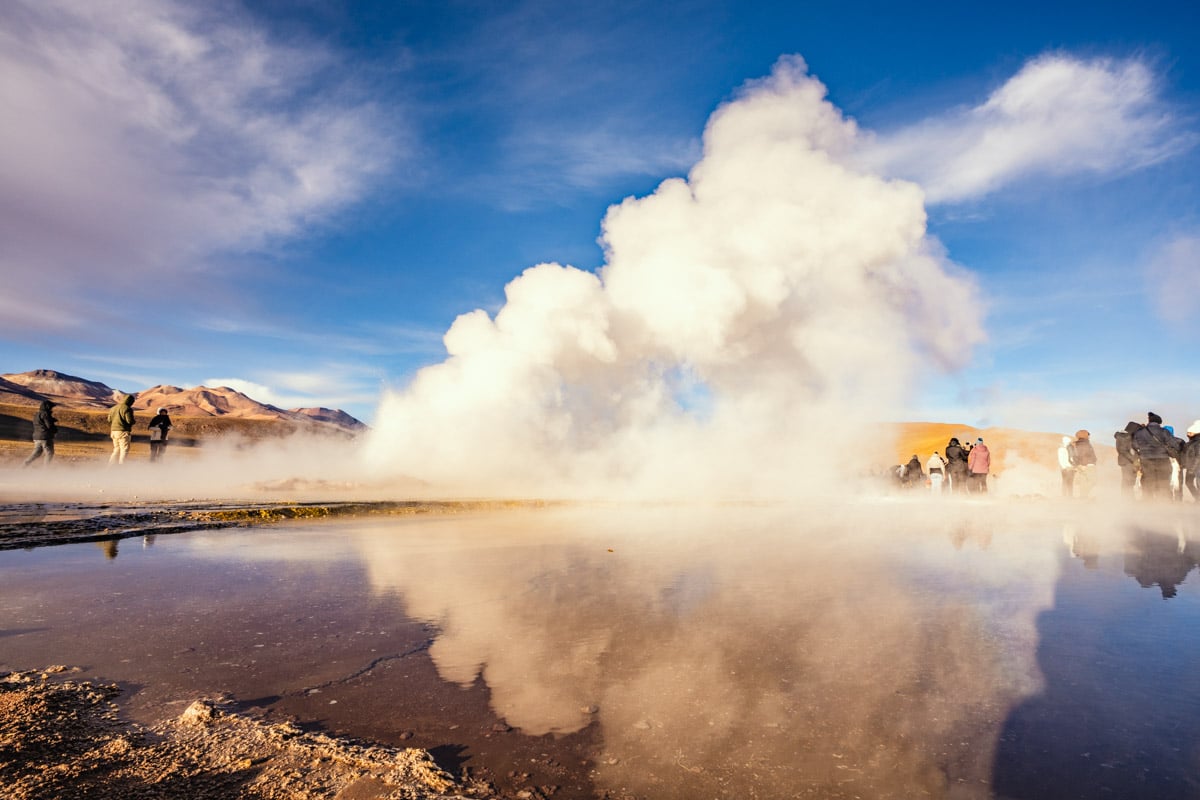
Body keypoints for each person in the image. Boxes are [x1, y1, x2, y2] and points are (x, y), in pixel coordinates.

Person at [1131, 412, 1179, 500]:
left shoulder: (1140, 432)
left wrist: (1143, 450)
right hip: (1162, 459)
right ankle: (1164, 503)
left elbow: (1134, 445)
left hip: (1146, 459)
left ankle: (1148, 502)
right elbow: (1174, 444)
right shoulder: (1164, 431)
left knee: (1148, 480)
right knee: (1163, 481)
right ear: (1159, 422)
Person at [23, 399, 58, 467]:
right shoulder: (45, 414)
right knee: (49, 453)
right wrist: (55, 429)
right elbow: (49, 426)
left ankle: (24, 466)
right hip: (45, 437)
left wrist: (51, 420)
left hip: (36, 437)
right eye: (51, 407)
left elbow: (40, 423)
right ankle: (45, 471)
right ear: (48, 407)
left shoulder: (37, 414)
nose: (52, 409)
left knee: (36, 453)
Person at [108, 393, 136, 465]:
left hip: (113, 431)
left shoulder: (113, 408)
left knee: (116, 449)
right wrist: (134, 421)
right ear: (130, 401)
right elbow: (129, 421)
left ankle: (110, 466)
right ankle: (121, 468)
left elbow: (109, 420)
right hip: (123, 432)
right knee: (124, 450)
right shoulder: (127, 408)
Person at [1114, 421, 1140, 498]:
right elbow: (1123, 450)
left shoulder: (1126, 436)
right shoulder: (1123, 437)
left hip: (1128, 462)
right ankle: (1127, 499)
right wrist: (1134, 460)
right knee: (1128, 481)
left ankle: (1129, 498)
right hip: (1127, 462)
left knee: (1130, 481)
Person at [1071, 430, 1097, 499]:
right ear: (1084, 435)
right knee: (1092, 481)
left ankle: (1083, 496)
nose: (1089, 436)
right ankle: (1083, 496)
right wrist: (1083, 465)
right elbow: (1082, 455)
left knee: (1084, 482)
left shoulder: (1081, 443)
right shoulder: (1083, 443)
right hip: (1088, 465)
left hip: (1086, 465)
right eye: (1088, 435)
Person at [1183, 421, 1200, 502]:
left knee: (1198, 484)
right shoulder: (1190, 443)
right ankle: (1197, 499)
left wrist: (1192, 468)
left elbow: (1198, 457)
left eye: (1190, 433)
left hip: (1196, 467)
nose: (1188, 434)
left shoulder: (1197, 443)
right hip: (1191, 467)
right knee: (1188, 482)